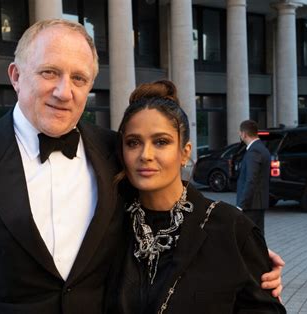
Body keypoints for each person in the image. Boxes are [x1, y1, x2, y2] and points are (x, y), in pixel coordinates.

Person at [0, 19, 283, 313]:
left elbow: (169, 205)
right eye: (49, 72)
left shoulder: (112, 148)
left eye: (78, 78)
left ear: (90, 87)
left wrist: (244, 254)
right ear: (16, 76)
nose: (63, 91)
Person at [114, 80, 285, 313]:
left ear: (185, 153)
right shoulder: (109, 227)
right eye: (133, 142)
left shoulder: (231, 229)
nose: (146, 154)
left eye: (161, 142)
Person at [237, 120, 271, 234]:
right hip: (258, 203)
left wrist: (241, 205)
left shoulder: (254, 151)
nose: (240, 135)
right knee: (257, 238)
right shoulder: (262, 148)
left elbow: (251, 180)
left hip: (251, 205)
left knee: (248, 239)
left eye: (240, 133)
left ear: (244, 134)